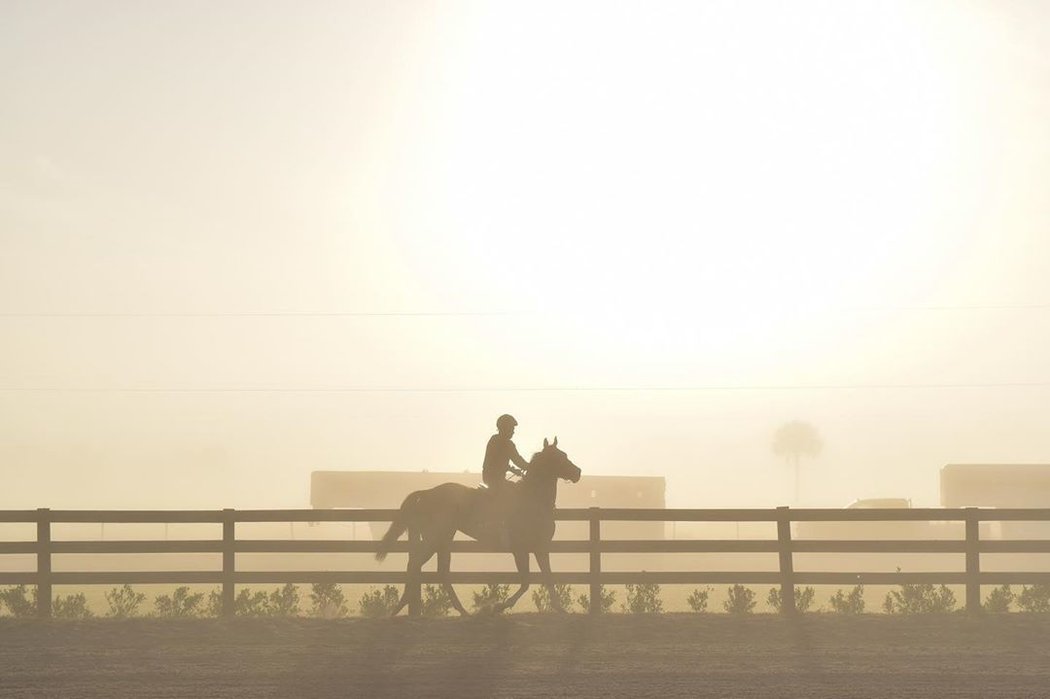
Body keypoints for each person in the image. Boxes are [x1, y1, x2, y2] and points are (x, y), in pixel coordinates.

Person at [482, 414, 529, 491]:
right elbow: (519, 461)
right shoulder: (507, 444)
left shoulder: (494, 439)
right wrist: (531, 467)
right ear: (505, 428)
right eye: (512, 428)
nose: (513, 432)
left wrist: (512, 470)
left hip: (487, 478)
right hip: (497, 481)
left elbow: (497, 462)